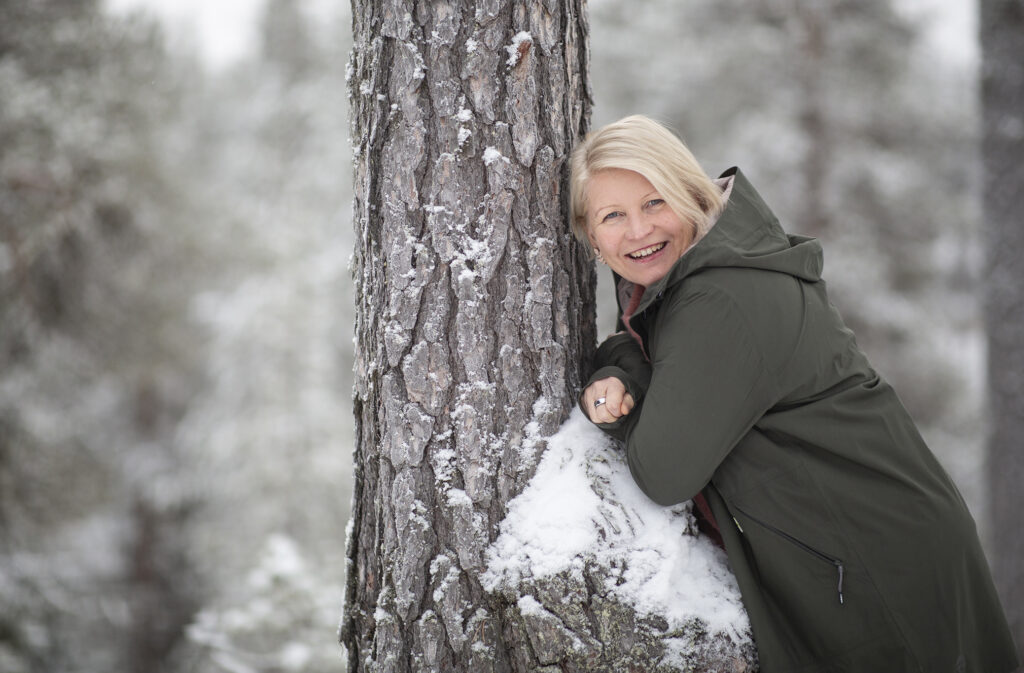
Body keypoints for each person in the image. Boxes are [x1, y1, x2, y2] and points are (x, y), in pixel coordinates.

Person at [572, 114, 1019, 673]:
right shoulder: (698, 276)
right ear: (590, 236)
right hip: (863, 548)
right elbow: (671, 374)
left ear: (690, 193)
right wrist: (627, 367)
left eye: (654, 202)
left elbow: (663, 471)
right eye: (613, 215)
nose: (639, 230)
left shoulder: (720, 297)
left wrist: (622, 370)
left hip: (875, 568)